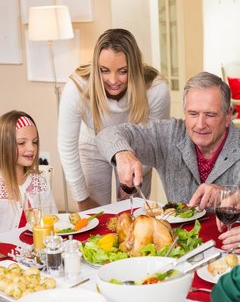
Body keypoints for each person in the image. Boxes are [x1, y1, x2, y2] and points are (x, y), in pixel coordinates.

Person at [58, 28, 170, 211]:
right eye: (104, 70)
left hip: (137, 152)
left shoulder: (156, 89)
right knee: (95, 217)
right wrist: (82, 197)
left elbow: (155, 143)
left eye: (123, 71)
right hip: (92, 146)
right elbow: (66, 146)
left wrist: (132, 182)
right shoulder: (77, 87)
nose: (113, 80)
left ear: (133, 67)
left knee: (134, 214)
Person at [96, 71, 240, 209]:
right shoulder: (169, 134)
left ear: (227, 116)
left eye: (210, 114)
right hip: (178, 234)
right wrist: (122, 153)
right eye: (193, 114)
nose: (200, 124)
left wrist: (227, 194)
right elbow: (107, 134)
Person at [0, 110, 57, 232]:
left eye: (34, 142)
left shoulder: (40, 183)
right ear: (4, 145)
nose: (32, 148)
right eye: (22, 143)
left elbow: (54, 221)